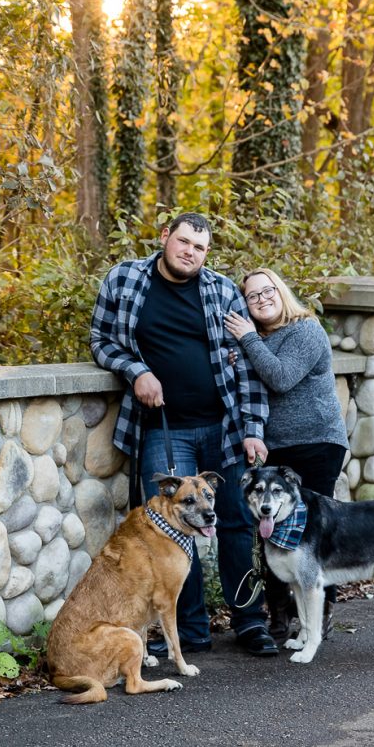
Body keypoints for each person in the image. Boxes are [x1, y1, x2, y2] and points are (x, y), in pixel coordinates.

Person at [90, 213, 278, 657]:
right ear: (164, 238)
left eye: (200, 246)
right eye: (184, 241)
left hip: (224, 429)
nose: (190, 251)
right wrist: (136, 371)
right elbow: (100, 339)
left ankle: (249, 622)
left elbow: (248, 365)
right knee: (171, 530)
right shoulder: (124, 280)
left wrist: (253, 428)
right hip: (161, 430)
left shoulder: (223, 291)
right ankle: (190, 630)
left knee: (235, 524)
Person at [223, 267, 349, 643]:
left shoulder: (305, 330)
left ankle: (319, 615)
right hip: (274, 448)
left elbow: (280, 376)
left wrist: (246, 338)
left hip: (317, 443)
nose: (262, 299)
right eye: (252, 296)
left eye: (268, 291)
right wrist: (245, 349)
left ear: (281, 292)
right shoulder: (256, 341)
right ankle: (279, 618)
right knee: (271, 532)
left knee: (316, 531)